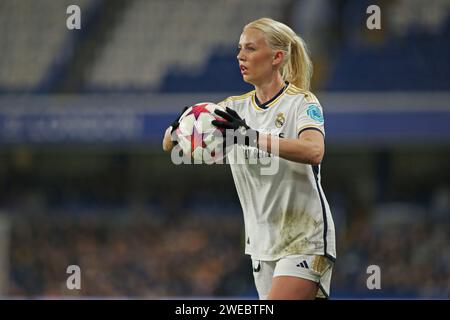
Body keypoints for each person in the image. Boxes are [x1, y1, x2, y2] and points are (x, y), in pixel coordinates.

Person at [163, 17, 336, 300]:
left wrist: (250, 136)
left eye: (251, 48)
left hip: (305, 237)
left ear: (277, 57)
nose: (240, 56)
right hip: (261, 245)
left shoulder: (302, 102)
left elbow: (313, 151)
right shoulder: (233, 107)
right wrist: (180, 127)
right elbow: (169, 144)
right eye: (240, 48)